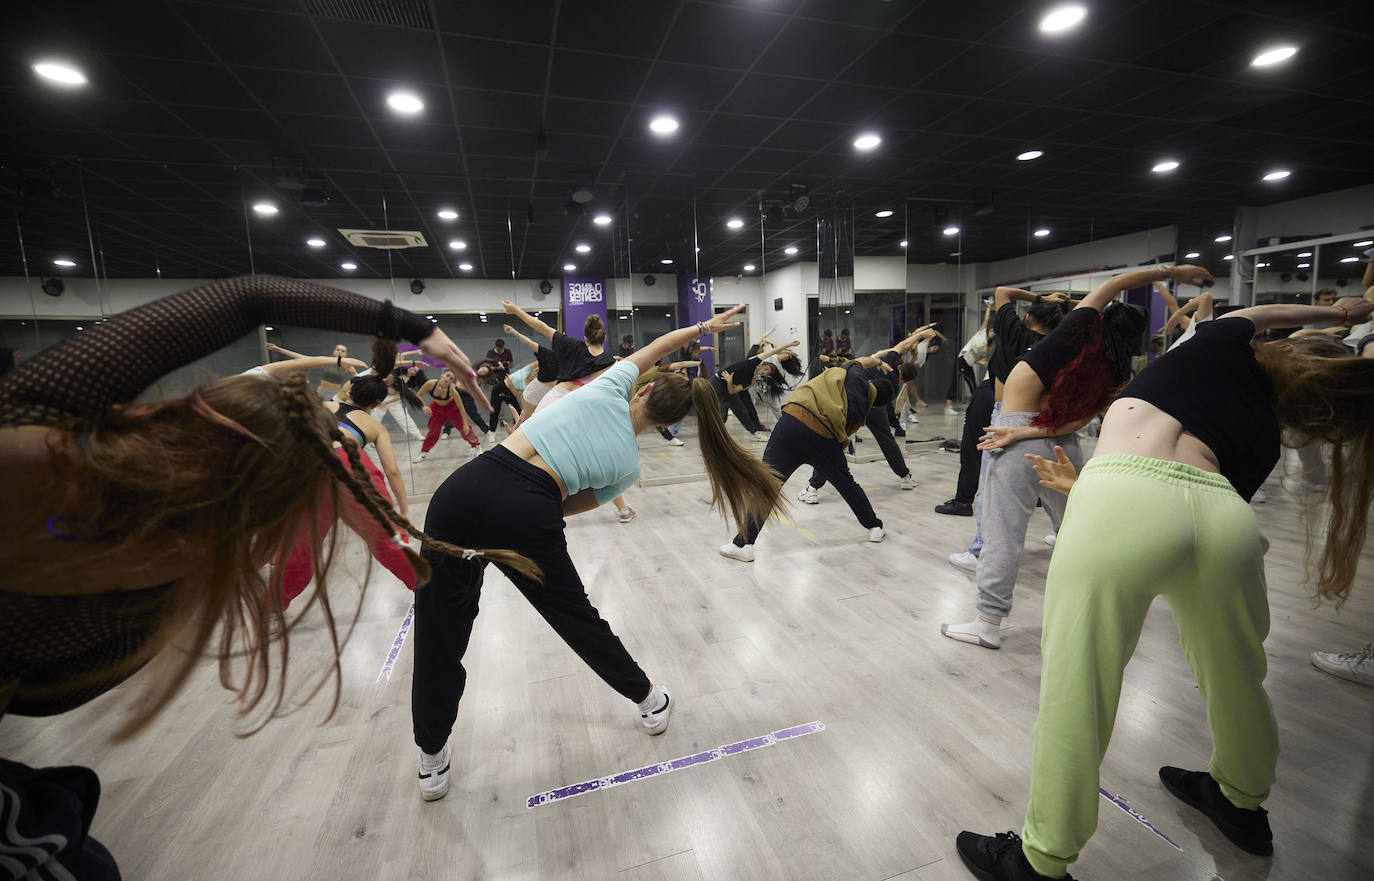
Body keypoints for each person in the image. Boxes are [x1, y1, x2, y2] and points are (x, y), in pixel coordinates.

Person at [0, 276, 526, 874]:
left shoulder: (44, 414)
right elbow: (249, 296)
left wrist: (414, 329)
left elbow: (253, 295)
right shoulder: (35, 418)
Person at [955, 285, 1374, 881]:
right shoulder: (1261, 431)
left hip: (1120, 503)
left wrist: (1337, 314)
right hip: (1224, 518)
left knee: (1081, 687)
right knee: (1237, 673)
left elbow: (1257, 314)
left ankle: (1040, 858)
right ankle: (1242, 803)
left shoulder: (1222, 344)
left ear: (1296, 346)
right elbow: (1184, 499)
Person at [410, 305, 784, 801]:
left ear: (646, 389)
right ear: (670, 423)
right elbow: (566, 506)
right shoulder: (628, 469)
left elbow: (657, 349)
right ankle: (650, 701)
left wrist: (701, 329)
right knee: (577, 620)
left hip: (461, 491)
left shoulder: (609, 383)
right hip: (531, 509)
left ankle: (431, 758)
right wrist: (519, 519)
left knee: (440, 631)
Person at [940, 266, 1162, 650]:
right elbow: (1077, 420)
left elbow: (1110, 286)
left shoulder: (1063, 342)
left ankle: (987, 622)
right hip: (1062, 446)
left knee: (1001, 535)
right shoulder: (1109, 368)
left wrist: (1168, 271)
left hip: (1012, 440)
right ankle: (1106, 611)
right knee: (1077, 532)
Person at [720, 326, 932, 563]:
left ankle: (745, 544)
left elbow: (863, 360)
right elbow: (839, 436)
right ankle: (875, 528)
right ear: (876, 405)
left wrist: (875, 361)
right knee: (847, 484)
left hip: (792, 422)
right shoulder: (863, 412)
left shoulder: (853, 372)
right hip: (822, 437)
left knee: (768, 485)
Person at [279, 361, 421, 606]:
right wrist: (404, 512)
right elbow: (392, 471)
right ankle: (428, 590)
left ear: (350, 391)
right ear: (376, 405)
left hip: (309, 465)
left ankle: (273, 606)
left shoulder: (320, 406)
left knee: (300, 549)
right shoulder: (373, 425)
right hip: (349, 466)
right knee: (388, 540)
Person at [939, 289, 1070, 531]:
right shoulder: (1058, 345)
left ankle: (977, 543)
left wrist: (1044, 299)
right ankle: (1059, 531)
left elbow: (1002, 292)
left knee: (992, 483)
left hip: (1004, 410)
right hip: (1037, 414)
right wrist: (1065, 304)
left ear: (1029, 318)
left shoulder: (1014, 332)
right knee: (1045, 475)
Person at [503, 303, 637, 522]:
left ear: (585, 337)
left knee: (528, 453)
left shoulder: (570, 345)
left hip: (555, 402)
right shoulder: (612, 365)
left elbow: (539, 325)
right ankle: (622, 510)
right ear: (604, 339)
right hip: (584, 413)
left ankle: (516, 501)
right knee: (592, 464)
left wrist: (516, 310)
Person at [797, 328, 939, 502]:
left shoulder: (890, 361)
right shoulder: (893, 388)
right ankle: (905, 477)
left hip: (853, 402)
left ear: (900, 366)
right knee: (887, 440)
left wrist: (919, 336)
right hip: (872, 405)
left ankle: (812, 489)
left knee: (833, 443)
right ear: (907, 381)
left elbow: (902, 345)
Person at [712, 330, 799, 439]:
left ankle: (755, 432)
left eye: (768, 373)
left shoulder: (751, 381)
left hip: (729, 387)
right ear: (762, 365)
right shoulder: (752, 362)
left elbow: (732, 391)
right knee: (722, 413)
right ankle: (715, 434)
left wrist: (729, 381)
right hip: (716, 384)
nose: (765, 372)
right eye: (766, 369)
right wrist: (789, 345)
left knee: (741, 411)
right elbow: (771, 351)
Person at [414, 368, 481, 460]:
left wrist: (465, 424)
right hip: (436, 408)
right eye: (447, 376)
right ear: (443, 375)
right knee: (434, 431)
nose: (448, 379)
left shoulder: (452, 391)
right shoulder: (431, 384)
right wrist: (424, 406)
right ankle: (424, 451)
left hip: (452, 409)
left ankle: (476, 445)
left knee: (464, 429)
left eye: (451, 379)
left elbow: (461, 408)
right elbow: (419, 395)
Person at [503, 323, 560, 419]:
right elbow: (528, 342)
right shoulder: (546, 354)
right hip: (534, 393)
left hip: (551, 391)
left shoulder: (566, 360)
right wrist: (513, 332)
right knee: (529, 420)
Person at [268, 341, 358, 399]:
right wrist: (279, 349)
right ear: (333, 351)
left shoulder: (348, 366)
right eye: (338, 349)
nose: (340, 352)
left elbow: (358, 378)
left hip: (335, 394)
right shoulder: (326, 361)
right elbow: (304, 359)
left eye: (343, 351)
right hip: (321, 392)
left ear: (346, 354)